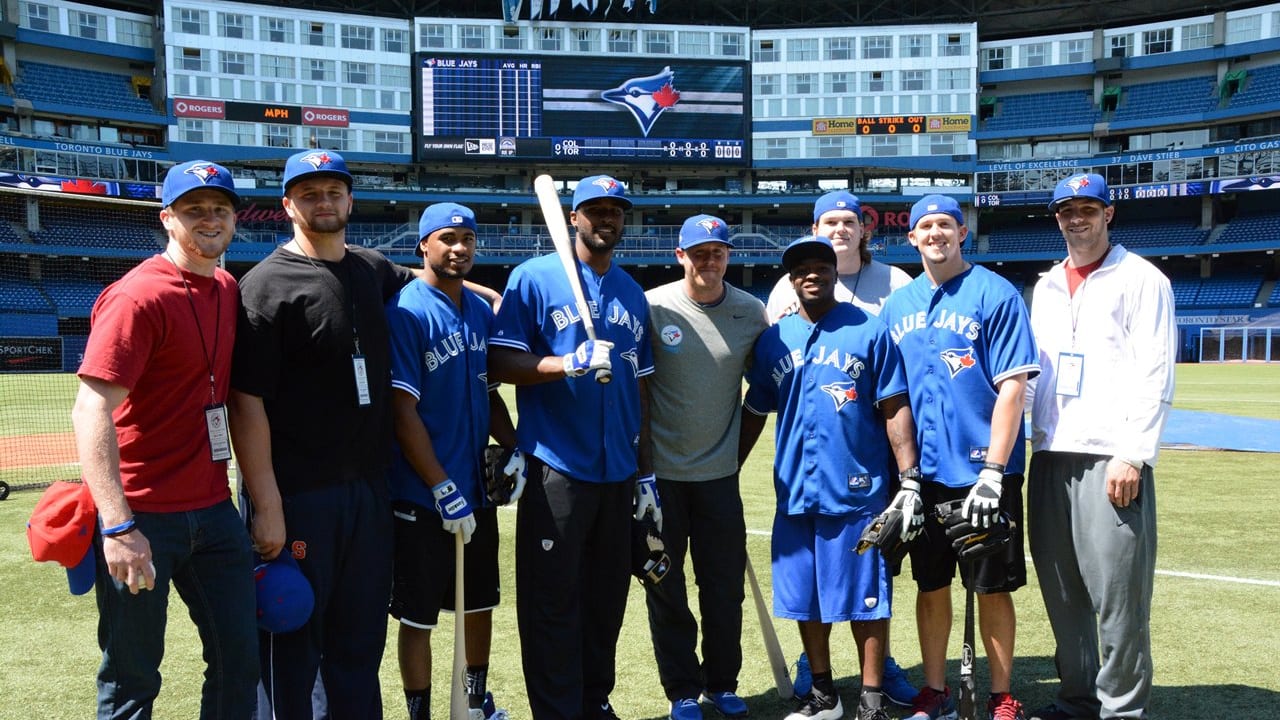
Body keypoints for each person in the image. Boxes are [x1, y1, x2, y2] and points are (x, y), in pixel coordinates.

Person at [228, 149, 416, 719]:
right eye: (309, 194)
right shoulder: (263, 285)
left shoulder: (371, 267)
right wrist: (266, 504)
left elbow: (432, 286)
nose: (324, 202)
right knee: (290, 636)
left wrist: (494, 301)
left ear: (351, 200)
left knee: (359, 644)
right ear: (287, 205)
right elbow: (245, 402)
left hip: (367, 491)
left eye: (333, 191)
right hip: (298, 495)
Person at [70, 160, 257, 718]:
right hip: (144, 515)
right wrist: (119, 525)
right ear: (167, 219)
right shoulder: (138, 297)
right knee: (131, 677)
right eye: (193, 209)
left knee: (237, 664)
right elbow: (91, 409)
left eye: (220, 209)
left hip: (213, 510)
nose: (209, 219)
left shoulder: (225, 285)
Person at [488, 174, 656, 720]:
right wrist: (568, 363)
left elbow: (642, 388)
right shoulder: (534, 277)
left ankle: (594, 699)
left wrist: (646, 473)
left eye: (615, 210)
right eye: (594, 210)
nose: (606, 219)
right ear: (573, 218)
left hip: (618, 471)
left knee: (606, 603)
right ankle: (558, 711)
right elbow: (500, 363)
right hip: (556, 466)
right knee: (552, 603)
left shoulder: (632, 291)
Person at [739, 235, 921, 720]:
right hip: (796, 491)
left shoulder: (869, 329)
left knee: (867, 601)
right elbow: (755, 408)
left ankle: (872, 698)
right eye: (801, 269)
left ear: (835, 272)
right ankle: (824, 695)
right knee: (805, 601)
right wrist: (726, 469)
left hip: (858, 491)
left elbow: (894, 405)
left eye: (820, 265)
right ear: (791, 279)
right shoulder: (775, 339)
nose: (811, 274)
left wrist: (909, 478)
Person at [880, 196, 1039, 720]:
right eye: (925, 226)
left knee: (991, 587)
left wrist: (994, 471)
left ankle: (1001, 695)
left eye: (945, 224)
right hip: (922, 475)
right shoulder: (898, 305)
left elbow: (1013, 386)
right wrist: (905, 477)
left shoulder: (995, 292)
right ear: (912, 237)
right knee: (930, 584)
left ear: (961, 232)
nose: (935, 233)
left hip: (982, 474)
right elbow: (894, 395)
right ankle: (934, 690)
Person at [1025, 174, 1175, 720]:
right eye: (1067, 210)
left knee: (1117, 598)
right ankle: (1078, 698)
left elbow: (1155, 370)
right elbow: (1033, 375)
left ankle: (1122, 709)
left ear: (1109, 215)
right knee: (1063, 592)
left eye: (1088, 208)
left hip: (1111, 456)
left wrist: (1133, 452)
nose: (1077, 218)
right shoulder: (1044, 286)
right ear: (1057, 218)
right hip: (1049, 455)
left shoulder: (1141, 279)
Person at [386, 202, 521, 720]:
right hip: (421, 494)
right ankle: (419, 712)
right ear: (424, 245)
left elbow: (489, 396)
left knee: (478, 606)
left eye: (466, 239)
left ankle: (471, 702)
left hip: (476, 487)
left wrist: (513, 449)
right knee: (418, 617)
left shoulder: (481, 312)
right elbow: (402, 411)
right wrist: (441, 486)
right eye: (447, 239)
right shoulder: (405, 309)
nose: (459, 248)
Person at [643, 214, 769, 720]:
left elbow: (761, 394)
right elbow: (639, 390)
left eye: (717, 252)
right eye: (699, 253)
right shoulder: (653, 306)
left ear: (728, 256)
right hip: (662, 480)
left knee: (723, 590)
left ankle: (721, 683)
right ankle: (680, 690)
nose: (709, 261)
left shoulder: (751, 312)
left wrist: (732, 457)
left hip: (719, 480)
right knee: (665, 588)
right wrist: (642, 467)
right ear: (680, 256)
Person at [765, 190, 911, 322]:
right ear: (815, 230)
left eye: (848, 222)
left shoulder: (897, 281)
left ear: (861, 230)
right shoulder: (787, 287)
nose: (840, 229)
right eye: (831, 223)